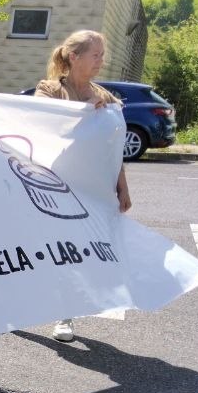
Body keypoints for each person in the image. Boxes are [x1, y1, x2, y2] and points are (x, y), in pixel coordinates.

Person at [35, 28, 134, 342]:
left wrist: (122, 187)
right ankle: (16, 302)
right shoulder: (49, 90)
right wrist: (85, 112)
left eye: (103, 55)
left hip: (89, 191)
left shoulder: (106, 98)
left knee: (76, 253)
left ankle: (65, 314)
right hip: (52, 188)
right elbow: (43, 130)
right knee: (40, 251)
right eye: (95, 55)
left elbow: (112, 148)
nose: (101, 61)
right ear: (73, 56)